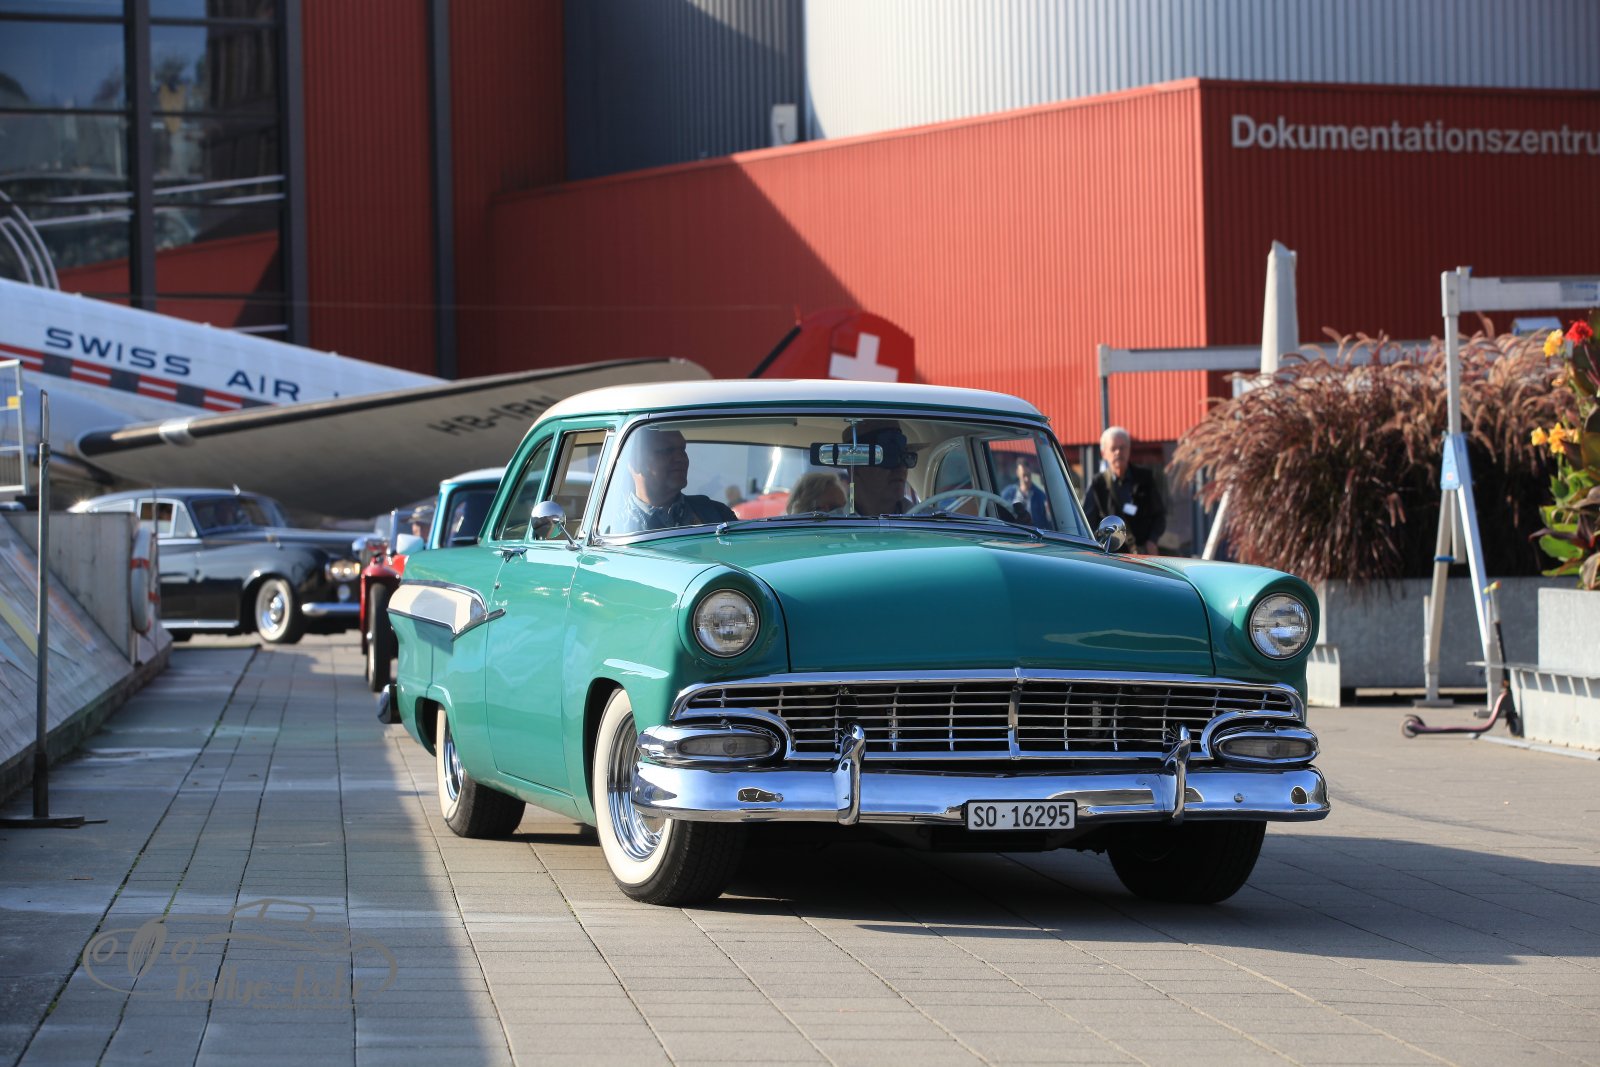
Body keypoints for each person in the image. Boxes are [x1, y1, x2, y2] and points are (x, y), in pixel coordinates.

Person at [613, 427, 736, 532]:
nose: (680, 458)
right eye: (666, 450)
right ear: (636, 463)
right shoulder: (614, 526)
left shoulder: (716, 514)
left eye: (682, 449)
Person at [1082, 426, 1166, 553]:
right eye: (1113, 448)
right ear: (1104, 453)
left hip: (1141, 554)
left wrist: (1152, 541)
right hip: (1110, 556)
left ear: (1129, 450)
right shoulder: (1098, 484)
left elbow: (1159, 516)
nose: (1118, 452)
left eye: (1122, 448)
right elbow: (1087, 523)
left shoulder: (1145, 479)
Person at [845, 421, 915, 516]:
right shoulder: (829, 524)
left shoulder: (930, 520)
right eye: (888, 458)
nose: (902, 467)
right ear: (855, 469)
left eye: (906, 458)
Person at [1001, 454, 1051, 527]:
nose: (1026, 479)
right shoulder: (1008, 494)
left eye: (1028, 475)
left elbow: (1047, 524)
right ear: (1017, 473)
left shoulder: (1041, 496)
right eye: (1024, 475)